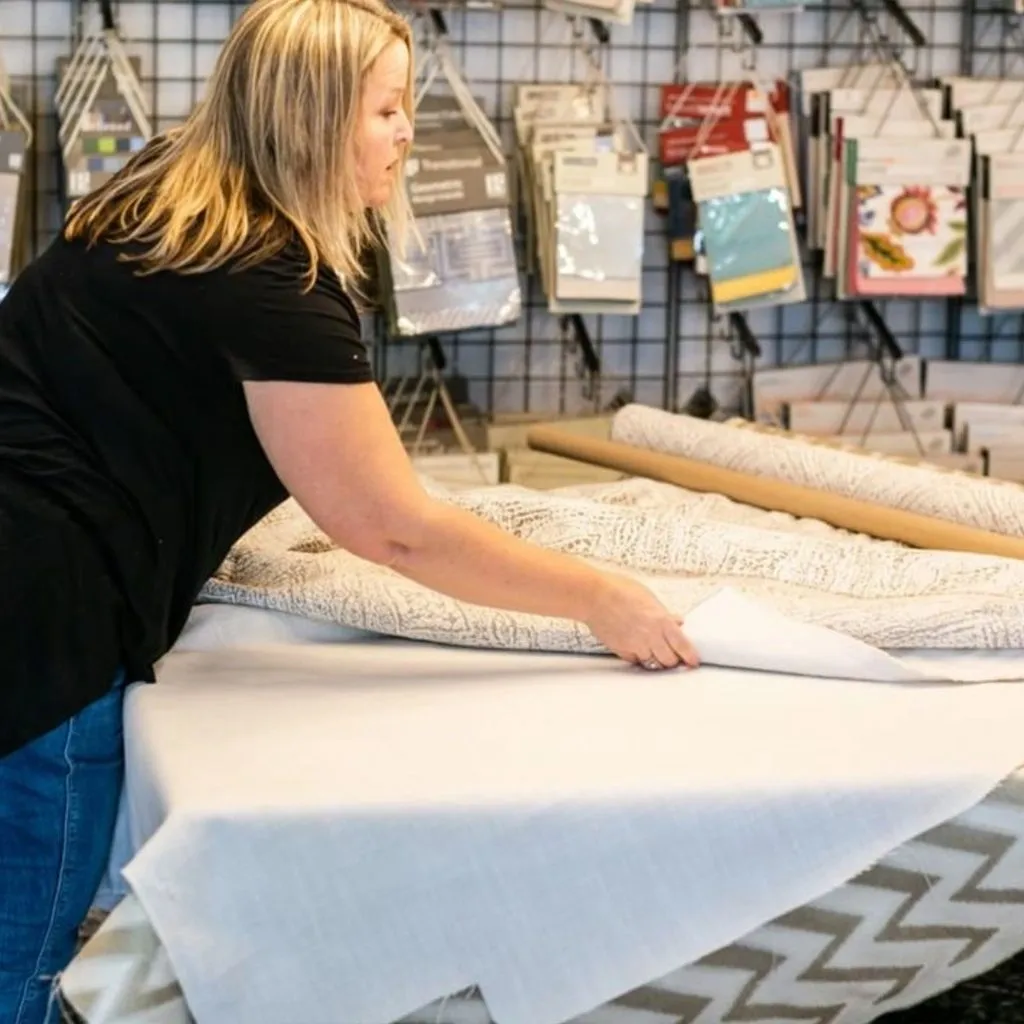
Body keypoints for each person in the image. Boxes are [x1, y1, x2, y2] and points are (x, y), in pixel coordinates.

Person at [0, 0, 699, 1019]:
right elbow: (387, 522)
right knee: (19, 965)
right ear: (309, 116)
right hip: (41, 629)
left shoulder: (164, 187)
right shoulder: (265, 273)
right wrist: (598, 598)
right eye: (385, 109)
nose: (408, 132)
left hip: (28, 581)